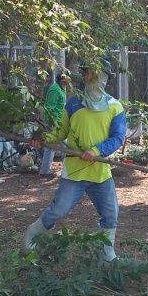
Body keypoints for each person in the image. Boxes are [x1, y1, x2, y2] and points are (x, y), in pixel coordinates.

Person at [22, 59, 126, 262]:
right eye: (86, 73)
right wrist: (44, 139)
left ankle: (106, 254)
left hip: (100, 172)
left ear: (102, 77)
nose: (86, 77)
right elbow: (61, 131)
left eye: (91, 73)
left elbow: (117, 137)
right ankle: (31, 236)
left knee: (111, 213)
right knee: (58, 210)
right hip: (75, 171)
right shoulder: (74, 103)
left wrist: (97, 150)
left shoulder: (115, 107)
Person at [39, 72, 71, 179]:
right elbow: (49, 107)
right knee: (58, 146)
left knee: (59, 146)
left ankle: (46, 170)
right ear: (62, 80)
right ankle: (45, 171)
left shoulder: (61, 89)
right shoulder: (55, 89)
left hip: (59, 122)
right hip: (54, 122)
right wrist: (50, 123)